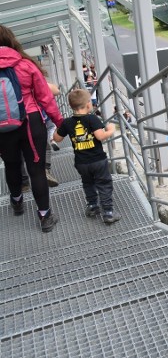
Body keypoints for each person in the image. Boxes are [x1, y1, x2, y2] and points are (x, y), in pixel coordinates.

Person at [0, 25, 64, 232]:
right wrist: (61, 123)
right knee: (36, 169)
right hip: (31, 122)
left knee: (11, 164)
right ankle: (45, 217)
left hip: (2, 127)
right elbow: (46, 98)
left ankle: (17, 202)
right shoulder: (25, 64)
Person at [53, 88, 120, 224]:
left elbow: (57, 138)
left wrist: (57, 128)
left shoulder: (67, 122)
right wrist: (111, 130)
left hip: (81, 162)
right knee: (104, 183)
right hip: (98, 160)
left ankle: (93, 206)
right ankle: (108, 212)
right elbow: (100, 136)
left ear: (71, 106)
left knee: (88, 183)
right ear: (88, 104)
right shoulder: (92, 118)